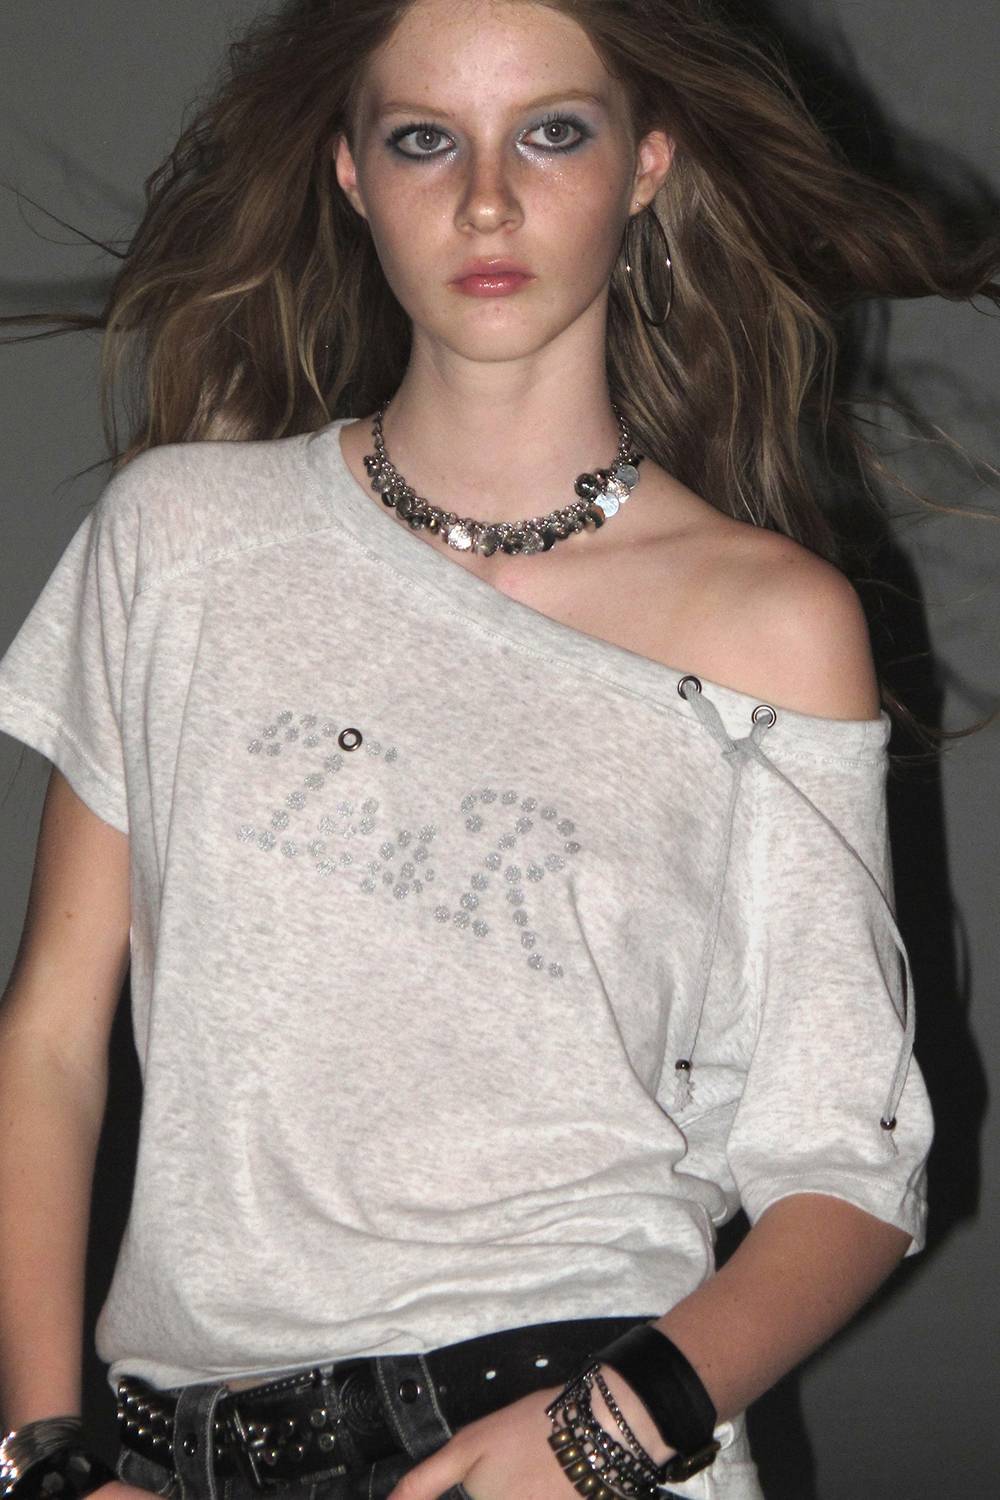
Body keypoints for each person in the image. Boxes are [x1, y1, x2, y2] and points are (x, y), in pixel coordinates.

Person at [0, 1, 994, 1497]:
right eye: (425, 139)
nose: (485, 199)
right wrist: (42, 1458)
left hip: (572, 1428)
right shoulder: (181, 542)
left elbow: (847, 1164)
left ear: (646, 161)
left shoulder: (772, 625)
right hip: (176, 1454)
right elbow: (48, 1044)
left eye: (552, 133)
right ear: (351, 171)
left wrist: (611, 1432)